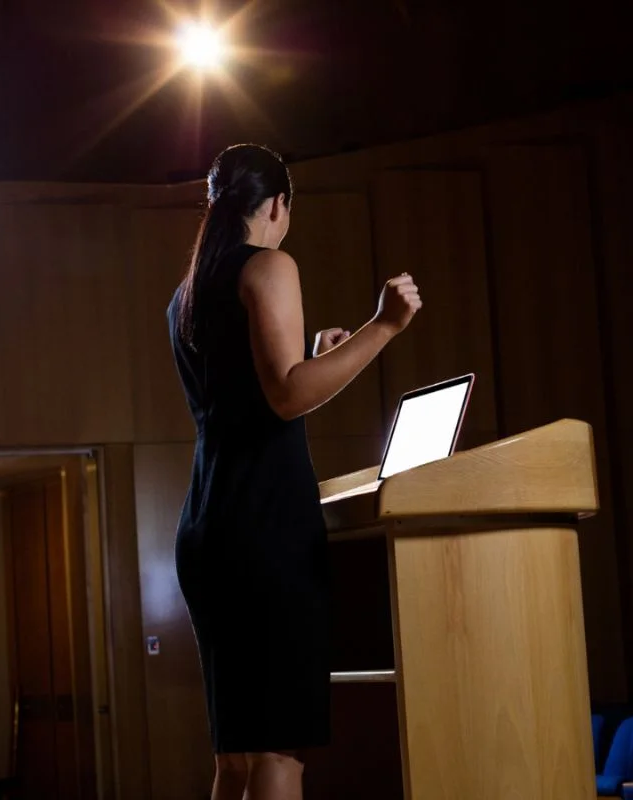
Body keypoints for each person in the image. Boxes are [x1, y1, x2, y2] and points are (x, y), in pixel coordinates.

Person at [167, 143, 421, 800]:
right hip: (266, 527)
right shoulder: (268, 267)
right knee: (280, 754)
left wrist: (310, 357)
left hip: (207, 526)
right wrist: (384, 328)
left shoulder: (187, 294)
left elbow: (250, 393)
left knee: (237, 759)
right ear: (279, 204)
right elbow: (287, 395)